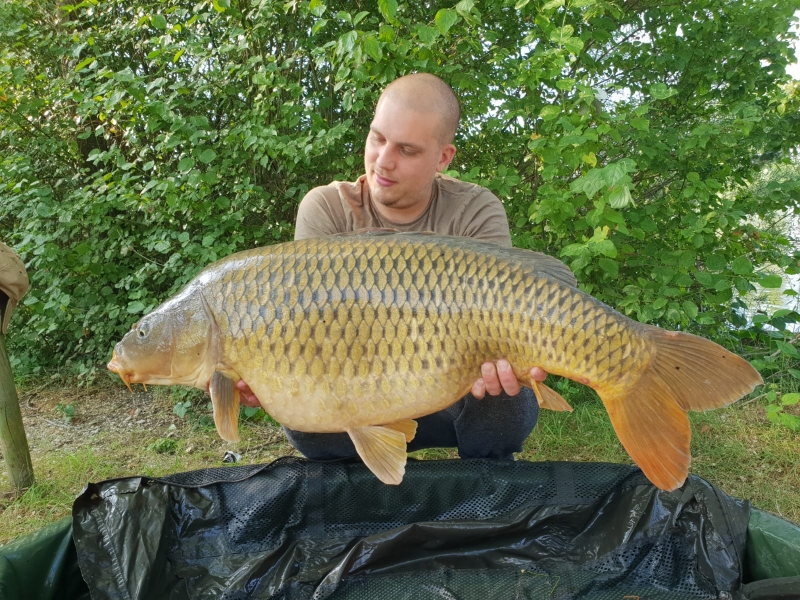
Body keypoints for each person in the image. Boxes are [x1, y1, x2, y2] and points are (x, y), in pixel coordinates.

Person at [237, 73, 548, 461]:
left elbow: (502, 323)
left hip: (454, 395)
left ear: (443, 157)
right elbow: (308, 336)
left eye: (407, 150)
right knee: (304, 418)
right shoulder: (326, 210)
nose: (383, 161)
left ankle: (483, 485)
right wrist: (266, 375)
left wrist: (508, 360)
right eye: (378, 138)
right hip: (358, 393)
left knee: (510, 402)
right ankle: (364, 483)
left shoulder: (476, 211)